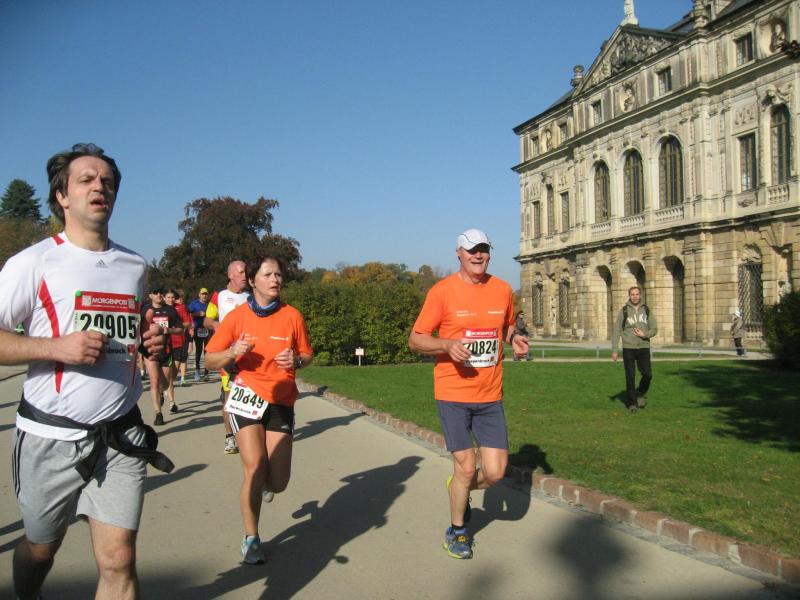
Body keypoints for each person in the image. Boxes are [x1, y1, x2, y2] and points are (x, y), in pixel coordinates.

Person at [0, 143, 172, 600]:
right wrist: (55, 347)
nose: (101, 187)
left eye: (108, 182)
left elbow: (130, 332)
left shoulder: (134, 265)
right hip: (50, 436)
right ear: (62, 196)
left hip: (120, 434)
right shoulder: (33, 262)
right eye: (87, 180)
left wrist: (148, 341)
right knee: (41, 550)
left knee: (118, 558)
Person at [408, 229, 529, 560]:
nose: (478, 255)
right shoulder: (442, 292)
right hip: (453, 393)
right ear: (458, 253)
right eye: (472, 250)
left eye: (484, 249)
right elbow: (416, 339)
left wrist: (514, 339)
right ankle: (457, 531)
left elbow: (505, 327)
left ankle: (458, 489)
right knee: (464, 465)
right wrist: (447, 344)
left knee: (495, 472)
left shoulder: (502, 289)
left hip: (490, 395)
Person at [205, 255, 313, 565]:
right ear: (253, 281)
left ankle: (267, 484)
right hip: (247, 396)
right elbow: (210, 359)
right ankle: (251, 538)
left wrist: (297, 360)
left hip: (281, 400)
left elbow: (307, 354)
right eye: (268, 274)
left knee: (278, 481)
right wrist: (231, 352)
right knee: (254, 466)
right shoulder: (236, 317)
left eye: (278, 274)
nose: (275, 279)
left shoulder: (292, 316)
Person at [204, 260, 250, 455]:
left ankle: (250, 434)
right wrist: (217, 326)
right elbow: (207, 320)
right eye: (241, 272)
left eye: (246, 272)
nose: (245, 275)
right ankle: (230, 436)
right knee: (229, 395)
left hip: (248, 354)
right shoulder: (219, 296)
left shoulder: (251, 297)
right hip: (227, 354)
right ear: (231, 275)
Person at [611, 286, 658, 412]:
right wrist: (614, 350)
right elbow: (617, 330)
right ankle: (632, 403)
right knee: (630, 376)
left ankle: (639, 392)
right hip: (628, 348)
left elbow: (654, 329)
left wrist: (645, 334)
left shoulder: (646, 310)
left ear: (640, 295)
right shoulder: (624, 311)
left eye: (637, 294)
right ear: (629, 296)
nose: (635, 296)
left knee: (647, 374)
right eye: (632, 294)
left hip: (643, 347)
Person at [144, 287, 184, 424]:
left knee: (166, 382)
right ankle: (158, 414)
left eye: (161, 292)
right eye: (155, 292)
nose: (159, 295)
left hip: (166, 351)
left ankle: (161, 392)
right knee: (154, 381)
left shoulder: (170, 310)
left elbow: (180, 329)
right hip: (150, 351)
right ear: (150, 295)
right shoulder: (144, 310)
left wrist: (168, 330)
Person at [167, 289, 192, 386]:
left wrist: (176, 326)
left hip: (177, 341)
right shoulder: (160, 308)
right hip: (163, 342)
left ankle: (172, 383)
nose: (171, 299)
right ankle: (165, 388)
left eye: (173, 297)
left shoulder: (181, 307)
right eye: (168, 297)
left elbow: (188, 323)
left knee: (174, 370)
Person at [187, 287, 211, 381]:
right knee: (199, 350)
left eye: (206, 294)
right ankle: (197, 370)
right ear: (199, 295)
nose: (204, 296)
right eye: (203, 294)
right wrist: (196, 314)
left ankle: (206, 372)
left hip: (208, 330)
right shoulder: (194, 304)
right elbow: (187, 313)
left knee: (207, 351)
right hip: (198, 329)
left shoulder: (210, 304)